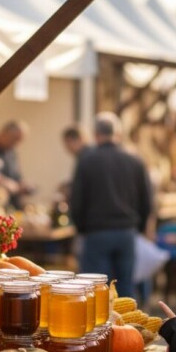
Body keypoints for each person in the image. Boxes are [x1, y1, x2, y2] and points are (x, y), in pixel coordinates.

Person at [69, 112, 152, 298]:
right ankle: (126, 326)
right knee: (125, 290)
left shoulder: (87, 161)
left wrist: (81, 228)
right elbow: (146, 200)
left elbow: (76, 200)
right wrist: (138, 227)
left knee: (97, 291)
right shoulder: (135, 161)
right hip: (126, 232)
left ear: (95, 134)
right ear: (118, 134)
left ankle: (101, 327)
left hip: (96, 233)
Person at [0, 119, 32, 210]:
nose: (16, 144)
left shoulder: (11, 153)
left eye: (19, 141)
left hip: (9, 206)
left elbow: (16, 176)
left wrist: (23, 185)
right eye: (15, 139)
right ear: (4, 132)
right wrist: (8, 184)